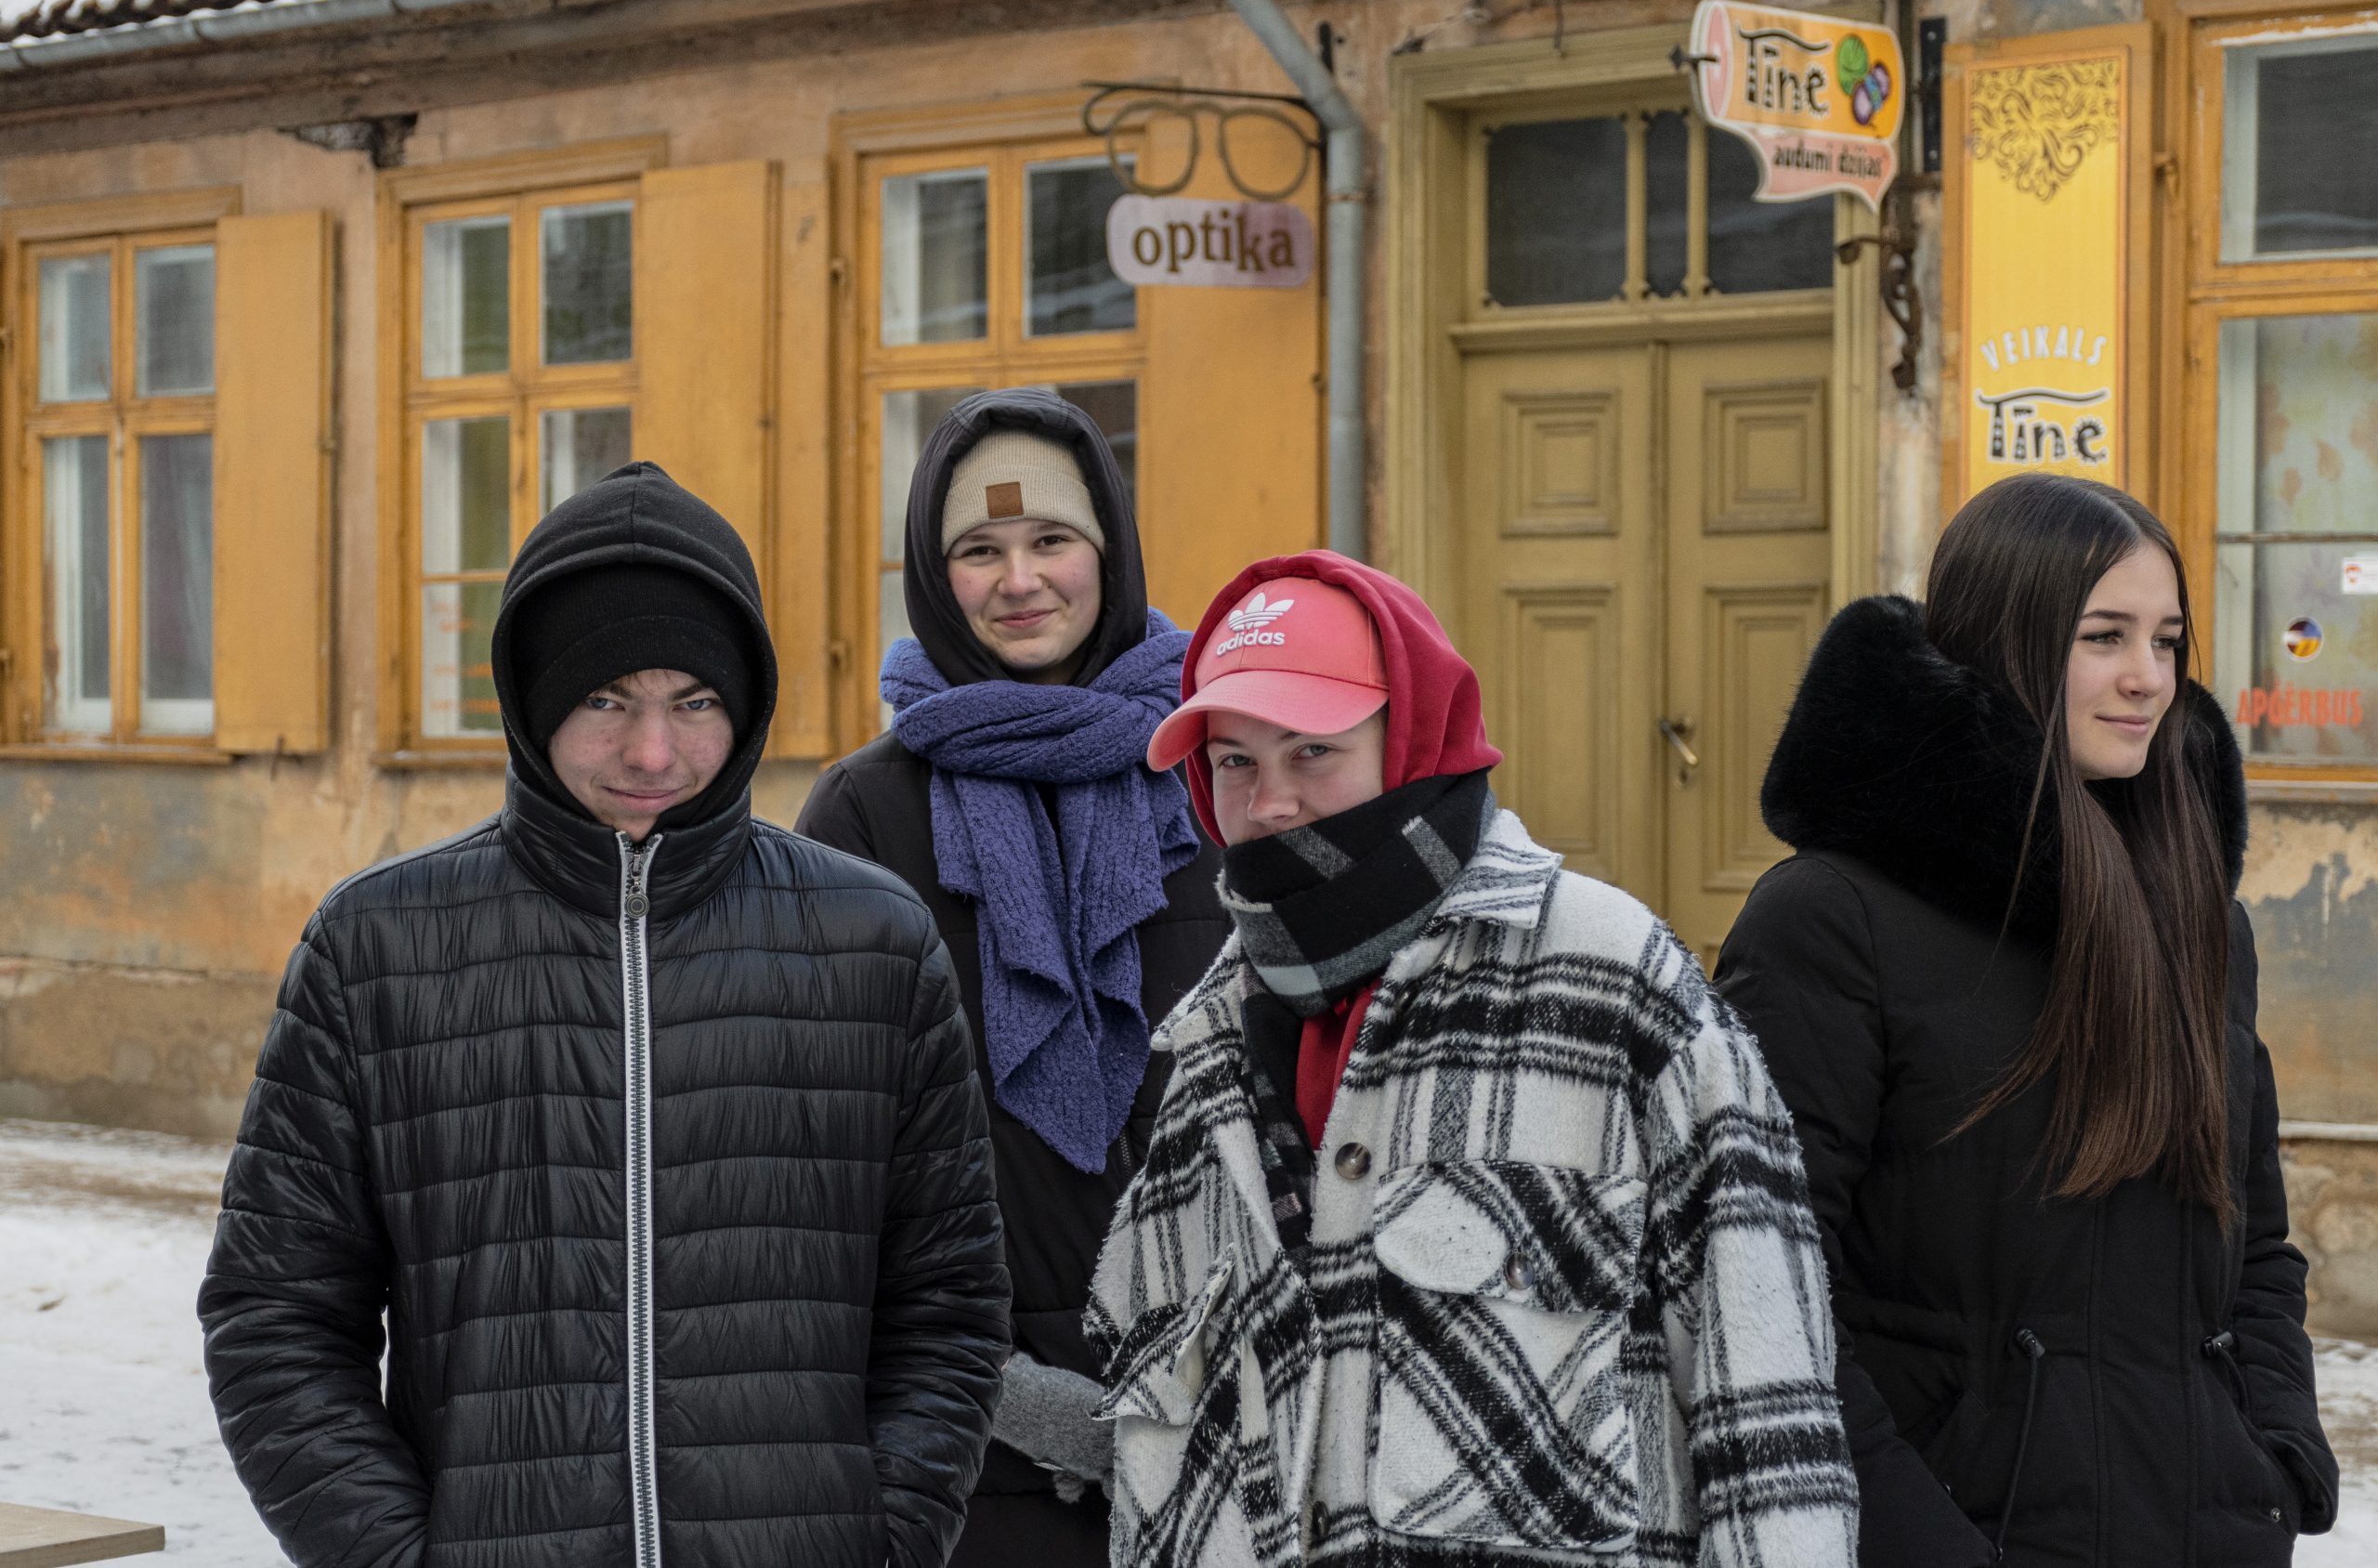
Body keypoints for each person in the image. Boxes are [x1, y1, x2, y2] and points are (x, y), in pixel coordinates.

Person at [198, 463, 1009, 1568]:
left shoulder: (872, 942)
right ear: (533, 702)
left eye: (695, 700)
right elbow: (275, 1315)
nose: (652, 753)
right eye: (605, 699)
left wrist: (886, 1538)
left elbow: (947, 1307)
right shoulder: (375, 947)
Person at [1088, 550, 1858, 1566]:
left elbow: (1766, 1401)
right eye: (1235, 761)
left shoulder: (1608, 979)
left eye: (1312, 750)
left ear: (1410, 740)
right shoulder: (1207, 1040)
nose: (1270, 802)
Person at [1715, 473, 2340, 1567]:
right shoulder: (1830, 919)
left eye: (2166, 640)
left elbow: (2253, 1243)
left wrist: (2273, 1460)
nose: (2148, 678)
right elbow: (1758, 1285)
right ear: (2000, 637)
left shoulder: (2200, 920)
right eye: (2103, 637)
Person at [796, 390, 1228, 1566]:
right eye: (977, 550)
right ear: (935, 578)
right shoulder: (864, 811)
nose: (1019, 580)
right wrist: (998, 1390)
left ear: (1109, 551)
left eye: (1051, 539)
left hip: (1230, 1417)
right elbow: (829, 1144)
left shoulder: (1216, 768)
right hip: (977, 1435)